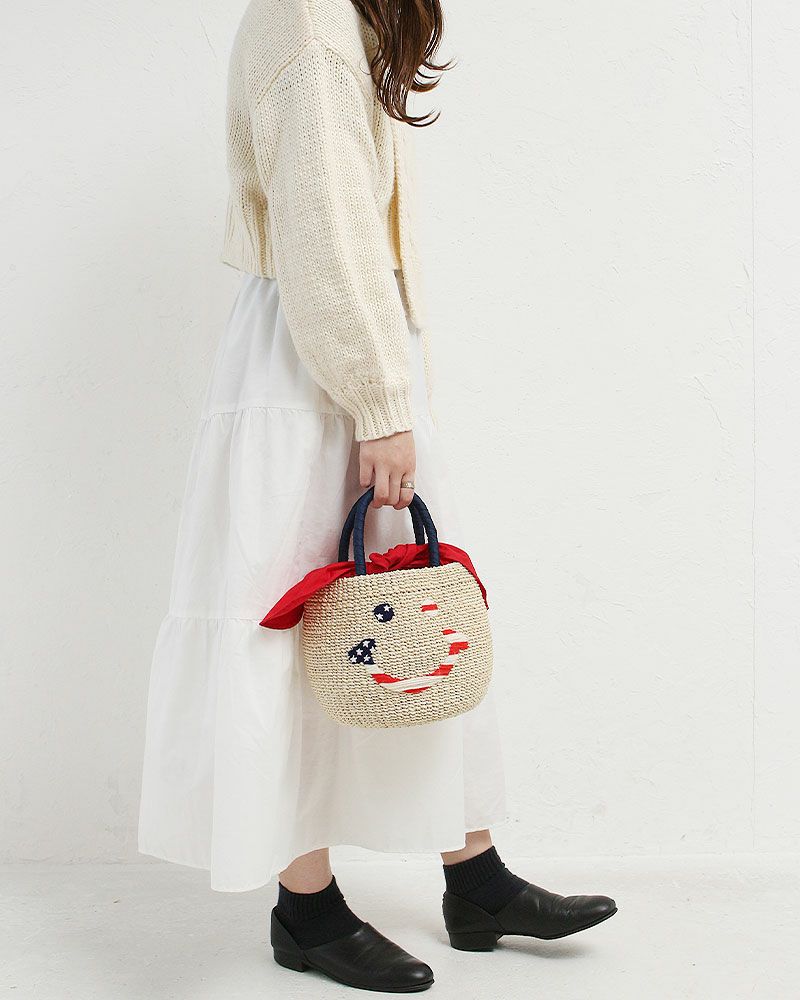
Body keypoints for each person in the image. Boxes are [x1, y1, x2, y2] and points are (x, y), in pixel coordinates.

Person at [137, 0, 617, 991]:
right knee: (302, 622)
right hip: (316, 363)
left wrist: (385, 385)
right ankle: (307, 910)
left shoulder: (328, 18)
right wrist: (378, 398)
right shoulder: (310, 25)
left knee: (412, 615)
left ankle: (474, 877)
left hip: (339, 349)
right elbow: (325, 229)